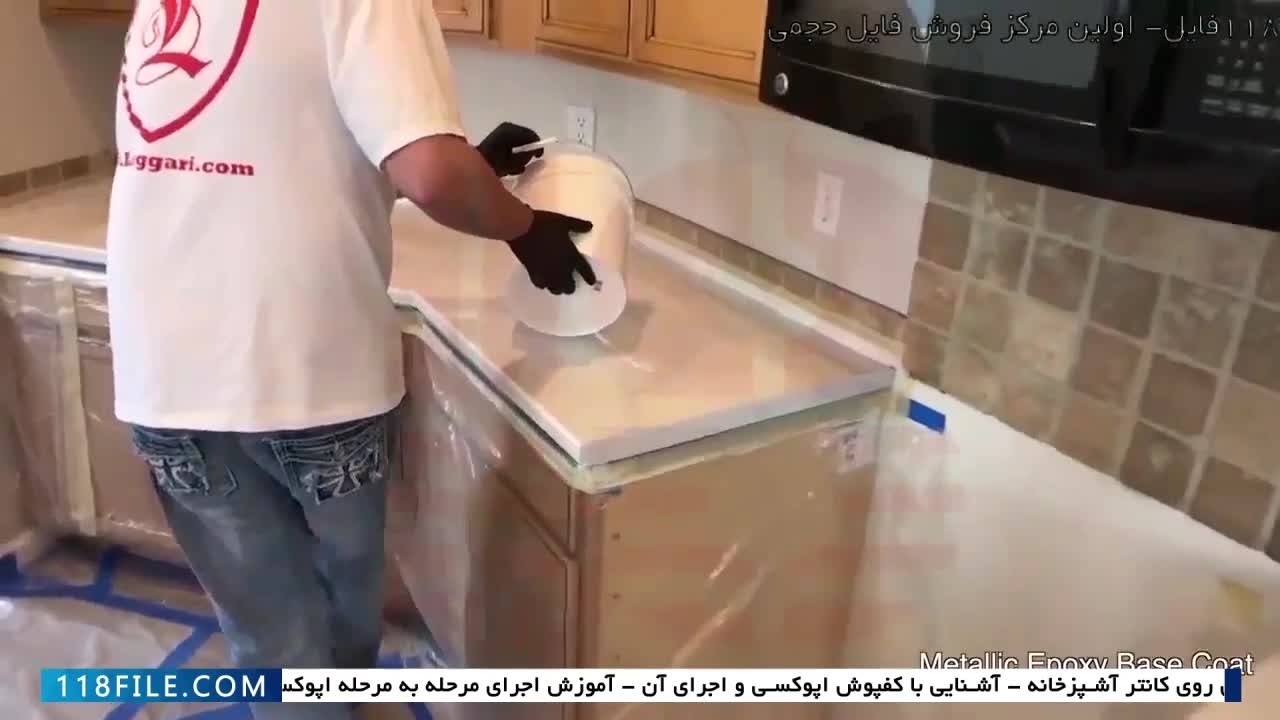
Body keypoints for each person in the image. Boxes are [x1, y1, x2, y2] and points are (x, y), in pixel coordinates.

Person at [106, 2, 594, 717]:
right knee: (338, 630)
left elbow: (283, 144)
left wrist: (472, 169)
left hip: (164, 374)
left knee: (270, 639)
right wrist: (522, 226)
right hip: (311, 370)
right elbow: (430, 174)